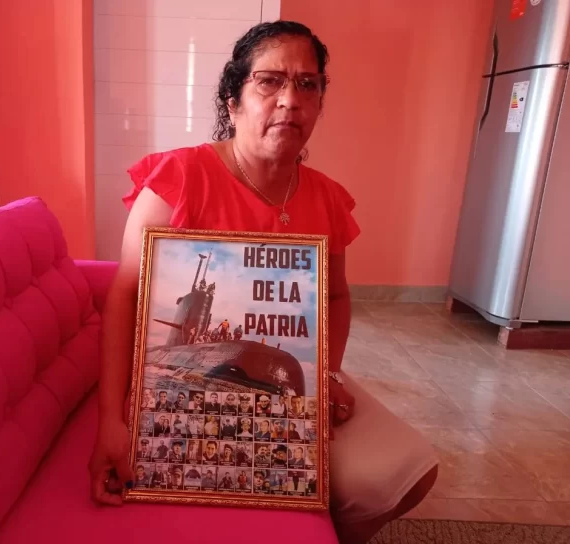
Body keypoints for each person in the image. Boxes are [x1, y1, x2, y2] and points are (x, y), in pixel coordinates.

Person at [88, 20, 438, 544]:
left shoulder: (327, 198)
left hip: (284, 378)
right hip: (174, 385)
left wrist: (329, 375)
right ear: (233, 100)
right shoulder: (179, 180)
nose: (290, 100)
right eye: (269, 81)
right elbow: (126, 296)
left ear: (319, 102)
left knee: (412, 473)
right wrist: (111, 421)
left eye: (307, 85)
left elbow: (336, 296)